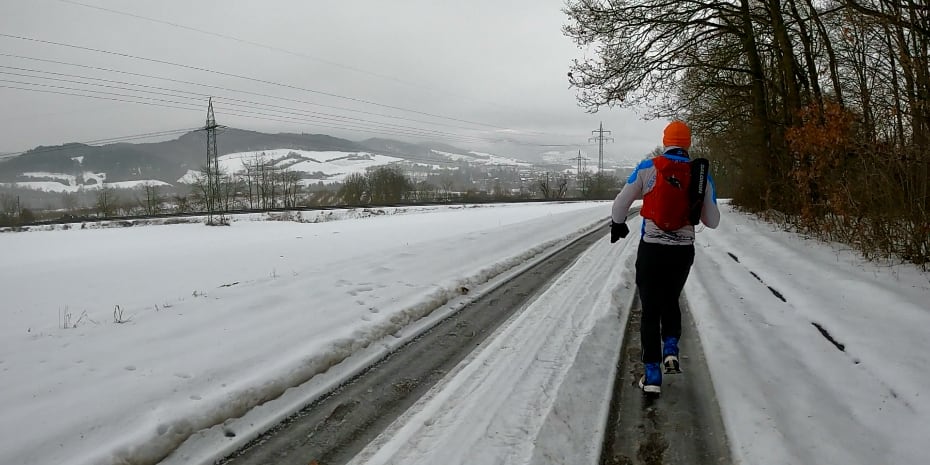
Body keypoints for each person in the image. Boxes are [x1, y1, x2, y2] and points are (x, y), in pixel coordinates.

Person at [610, 120, 720, 395]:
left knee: (650, 308)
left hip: (652, 249)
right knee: (671, 298)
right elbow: (713, 221)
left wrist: (618, 224)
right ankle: (670, 347)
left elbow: (621, 203)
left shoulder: (648, 168)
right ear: (688, 143)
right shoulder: (700, 174)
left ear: (666, 141)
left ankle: (651, 375)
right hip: (682, 251)